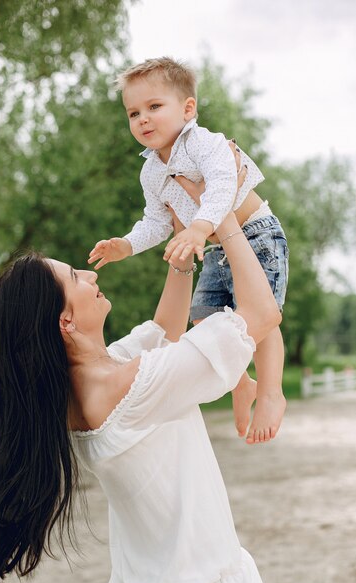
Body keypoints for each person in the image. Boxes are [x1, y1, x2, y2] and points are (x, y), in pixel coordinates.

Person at [0, 162, 281, 583]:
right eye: (77, 278)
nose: (91, 274)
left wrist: (182, 240)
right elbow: (260, 314)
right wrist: (222, 216)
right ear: (65, 322)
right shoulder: (125, 387)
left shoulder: (88, 383)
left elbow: (164, 331)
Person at [89, 57, 289, 445]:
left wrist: (199, 226)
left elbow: (221, 185)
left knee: (263, 317)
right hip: (214, 247)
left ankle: (270, 391)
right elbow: (158, 221)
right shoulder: (150, 170)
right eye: (133, 113)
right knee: (205, 318)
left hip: (255, 233)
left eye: (154, 107)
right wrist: (126, 245)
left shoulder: (203, 144)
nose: (142, 119)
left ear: (188, 108)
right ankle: (241, 383)